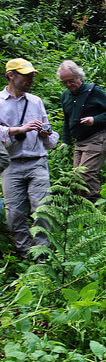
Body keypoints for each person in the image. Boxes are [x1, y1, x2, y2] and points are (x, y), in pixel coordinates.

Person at [0, 58, 59, 259]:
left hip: (37, 162)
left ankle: (42, 256)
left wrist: (46, 133)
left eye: (32, 75)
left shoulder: (36, 101)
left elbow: (49, 131)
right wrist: (18, 130)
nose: (30, 79)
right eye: (26, 76)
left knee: (42, 209)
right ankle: (26, 254)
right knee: (14, 214)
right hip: (11, 164)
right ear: (11, 75)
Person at [57, 60, 106, 202]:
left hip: (97, 137)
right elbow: (67, 120)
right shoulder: (65, 95)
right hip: (79, 141)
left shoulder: (93, 91)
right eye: (65, 82)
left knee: (87, 174)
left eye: (71, 81)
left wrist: (94, 119)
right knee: (76, 178)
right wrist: (65, 141)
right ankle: (83, 212)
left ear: (79, 76)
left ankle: (96, 208)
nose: (68, 85)